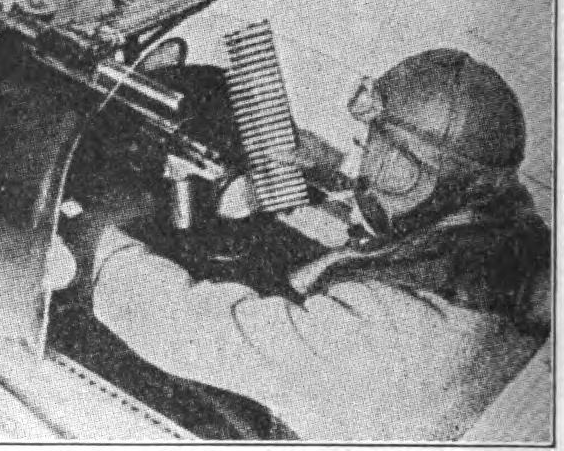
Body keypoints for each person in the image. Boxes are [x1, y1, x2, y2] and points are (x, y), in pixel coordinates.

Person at [54, 49, 550, 442]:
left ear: (412, 171)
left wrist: (100, 247)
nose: (360, 157)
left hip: (302, 423)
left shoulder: (393, 340)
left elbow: (196, 332)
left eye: (375, 149)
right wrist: (323, 172)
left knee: (81, 331)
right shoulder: (502, 233)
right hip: (370, 393)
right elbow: (403, 235)